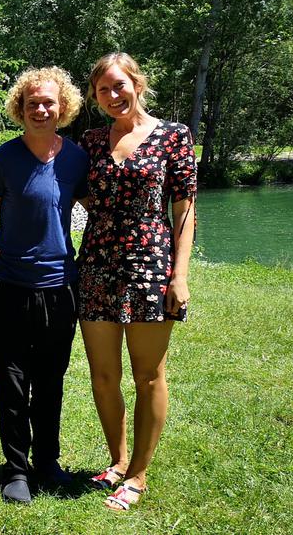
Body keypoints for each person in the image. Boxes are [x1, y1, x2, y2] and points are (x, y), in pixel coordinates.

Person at [76, 52, 196, 512]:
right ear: (95, 97)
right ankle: (118, 459)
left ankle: (139, 475)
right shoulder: (88, 141)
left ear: (137, 84)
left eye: (119, 86)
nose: (112, 96)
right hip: (96, 265)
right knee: (103, 376)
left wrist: (178, 276)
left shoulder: (173, 137)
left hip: (151, 264)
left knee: (148, 376)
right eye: (103, 90)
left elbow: (184, 211)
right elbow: (62, 188)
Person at [0, 67, 88, 504]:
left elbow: (99, 207)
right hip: (11, 285)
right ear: (19, 110)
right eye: (31, 103)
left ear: (63, 108)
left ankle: (47, 461)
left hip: (61, 287)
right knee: (12, 377)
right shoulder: (4, 159)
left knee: (51, 379)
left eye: (48, 102)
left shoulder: (77, 158)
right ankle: (15, 469)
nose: (40, 109)